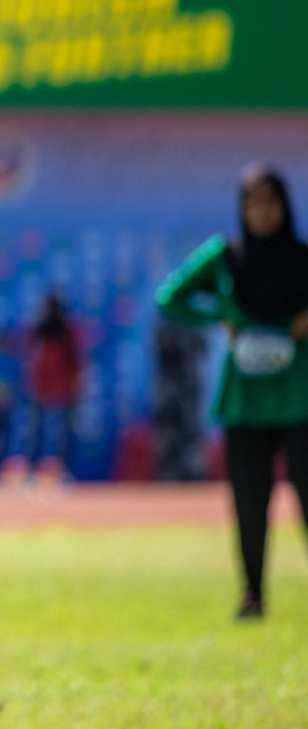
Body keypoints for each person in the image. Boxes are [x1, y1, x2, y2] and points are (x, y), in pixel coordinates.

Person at [155, 163, 308, 620]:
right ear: (241, 209)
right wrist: (220, 317)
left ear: (285, 207)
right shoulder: (224, 257)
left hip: (299, 397)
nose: (262, 213)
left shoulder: (303, 259)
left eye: (271, 203)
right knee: (248, 499)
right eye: (253, 203)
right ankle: (252, 593)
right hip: (243, 400)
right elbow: (169, 297)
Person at [19, 293, 83, 481]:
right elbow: (29, 358)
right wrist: (31, 383)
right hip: (41, 388)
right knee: (35, 433)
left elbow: (76, 361)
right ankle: (31, 472)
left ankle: (60, 471)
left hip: (63, 388)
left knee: (63, 435)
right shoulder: (39, 330)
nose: (51, 311)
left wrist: (75, 385)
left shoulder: (66, 331)